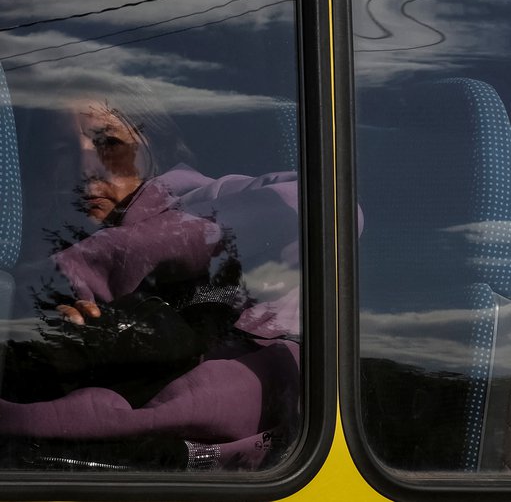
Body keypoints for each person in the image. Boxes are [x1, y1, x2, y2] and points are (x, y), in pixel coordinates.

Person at [0, 85, 302, 470]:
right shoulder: (38, 257)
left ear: (155, 147)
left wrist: (93, 264)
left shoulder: (206, 198)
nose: (84, 167)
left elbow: (324, 212)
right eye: (61, 151)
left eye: (108, 141)